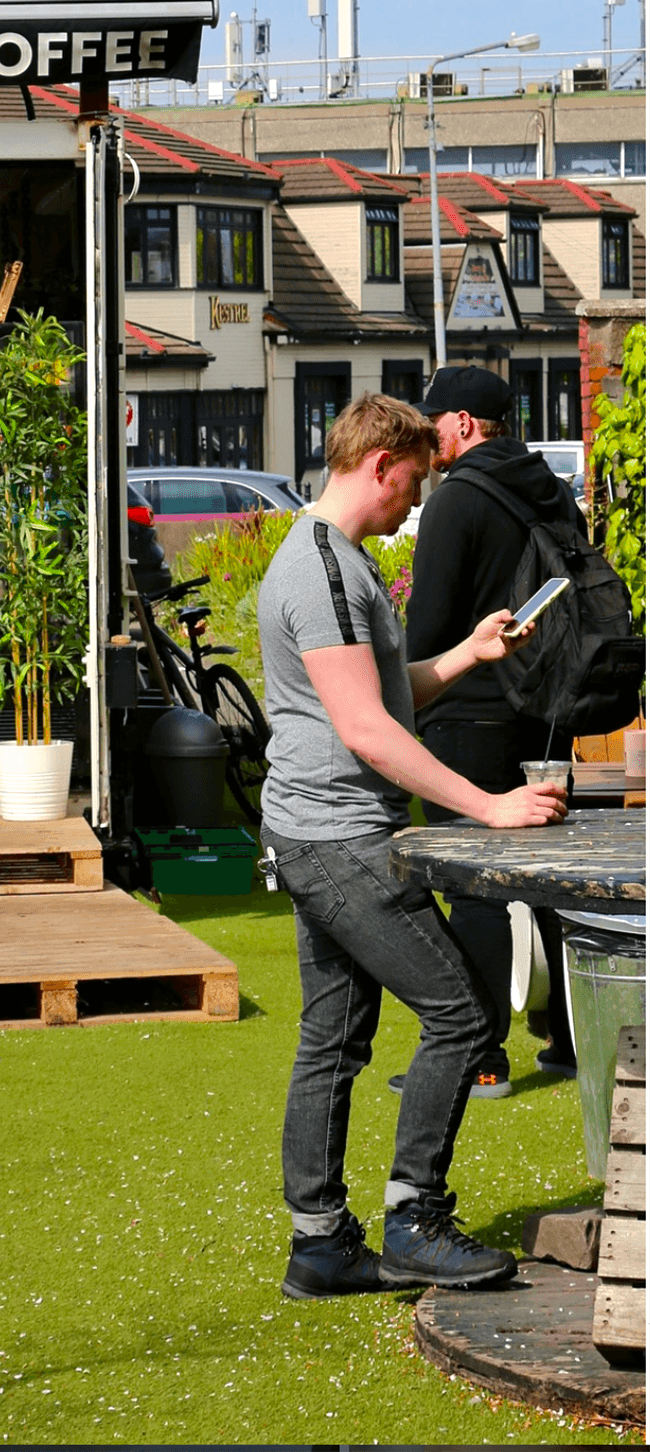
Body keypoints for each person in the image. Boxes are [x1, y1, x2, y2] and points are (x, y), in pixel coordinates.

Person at [257, 392, 567, 1302]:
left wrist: (467, 655)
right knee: (462, 1017)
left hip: (315, 828)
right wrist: (490, 806)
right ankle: (415, 1220)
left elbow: (382, 702)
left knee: (333, 1036)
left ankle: (320, 1247)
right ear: (384, 465)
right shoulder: (320, 571)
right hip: (340, 837)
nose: (416, 509)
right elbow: (369, 735)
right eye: (416, 487)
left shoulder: (335, 560)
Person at [402, 364, 584, 1093]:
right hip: (548, 712)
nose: (427, 433)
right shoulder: (552, 490)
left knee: (472, 885)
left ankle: (479, 1058)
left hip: (468, 710)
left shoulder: (457, 500)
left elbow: (429, 626)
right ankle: (572, 1041)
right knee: (546, 883)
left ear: (465, 425)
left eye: (434, 420)